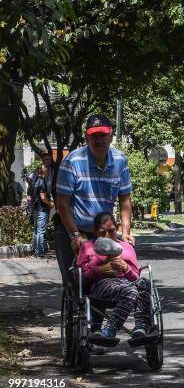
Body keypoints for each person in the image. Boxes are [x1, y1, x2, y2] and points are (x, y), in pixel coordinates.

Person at [55, 114, 135, 285]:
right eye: (94, 136)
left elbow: (125, 200)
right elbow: (62, 203)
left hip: (101, 232)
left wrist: (126, 233)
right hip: (73, 228)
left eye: (103, 135)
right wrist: (74, 235)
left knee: (104, 280)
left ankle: (98, 311)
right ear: (87, 136)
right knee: (76, 282)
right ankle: (76, 306)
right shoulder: (72, 161)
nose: (99, 140)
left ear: (111, 135)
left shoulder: (120, 160)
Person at [78, 212, 150, 343]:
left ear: (117, 228)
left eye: (111, 231)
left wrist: (126, 269)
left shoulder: (126, 247)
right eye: (102, 232)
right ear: (94, 231)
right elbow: (81, 277)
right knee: (132, 290)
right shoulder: (87, 247)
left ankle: (141, 325)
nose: (107, 236)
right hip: (101, 284)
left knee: (144, 282)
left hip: (126, 282)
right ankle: (110, 328)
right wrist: (100, 270)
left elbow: (135, 276)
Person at [32, 165, 54, 258]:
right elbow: (43, 197)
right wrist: (50, 204)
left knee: (36, 231)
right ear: (43, 172)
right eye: (46, 170)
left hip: (36, 208)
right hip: (42, 208)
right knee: (41, 231)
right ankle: (40, 252)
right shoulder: (42, 182)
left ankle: (37, 251)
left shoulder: (36, 181)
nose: (47, 172)